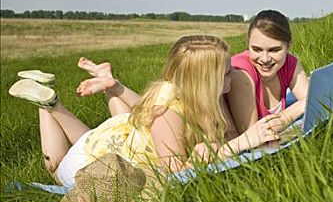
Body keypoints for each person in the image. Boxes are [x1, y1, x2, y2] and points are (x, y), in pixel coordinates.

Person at [8, 35, 282, 188]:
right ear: (204, 83)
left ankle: (50, 101)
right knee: (56, 167)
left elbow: (225, 137)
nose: (232, 80)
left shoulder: (198, 95)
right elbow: (175, 172)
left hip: (114, 139)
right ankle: (45, 104)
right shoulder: (169, 112)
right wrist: (238, 144)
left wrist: (225, 144)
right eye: (226, 75)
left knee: (87, 140)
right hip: (109, 155)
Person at [227, 10, 309, 136]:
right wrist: (299, 107)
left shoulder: (288, 63)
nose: (265, 59)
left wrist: (307, 102)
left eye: (274, 50)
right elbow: (252, 135)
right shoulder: (241, 73)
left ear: (289, 46)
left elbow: (314, 100)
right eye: (256, 49)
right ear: (248, 44)